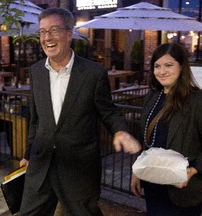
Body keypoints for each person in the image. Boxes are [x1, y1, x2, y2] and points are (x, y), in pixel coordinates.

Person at [19, 8, 141, 216]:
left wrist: (120, 131)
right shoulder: (36, 71)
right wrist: (28, 154)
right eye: (42, 32)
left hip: (78, 169)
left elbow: (109, 112)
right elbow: (35, 118)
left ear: (69, 34)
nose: (47, 37)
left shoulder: (93, 73)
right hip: (41, 164)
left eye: (54, 30)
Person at [131, 42, 202, 216]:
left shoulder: (199, 101)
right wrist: (137, 170)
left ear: (182, 67)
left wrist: (191, 171)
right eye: (157, 66)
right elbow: (147, 143)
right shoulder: (152, 97)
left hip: (183, 189)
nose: (161, 71)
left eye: (168, 65)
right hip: (153, 183)